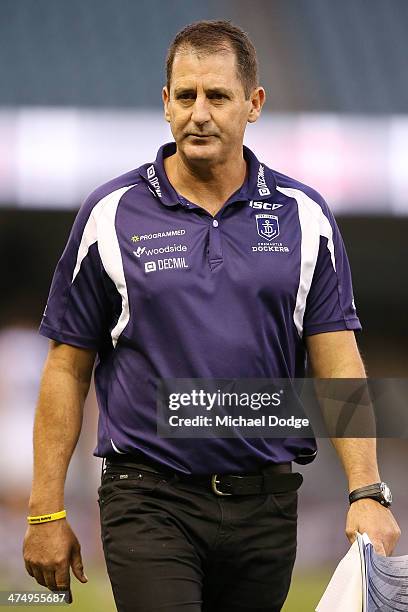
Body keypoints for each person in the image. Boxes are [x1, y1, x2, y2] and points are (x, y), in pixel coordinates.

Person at [23, 19, 400, 612]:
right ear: (165, 101)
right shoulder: (110, 214)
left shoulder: (306, 216)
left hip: (267, 504)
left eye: (218, 96)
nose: (198, 113)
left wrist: (367, 491)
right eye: (185, 95)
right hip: (148, 498)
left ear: (254, 104)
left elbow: (338, 358)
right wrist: (46, 508)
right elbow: (67, 365)